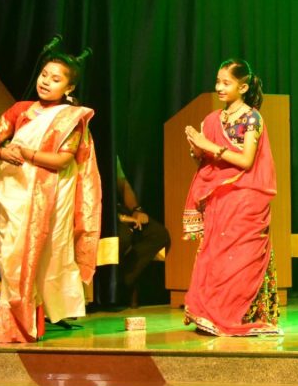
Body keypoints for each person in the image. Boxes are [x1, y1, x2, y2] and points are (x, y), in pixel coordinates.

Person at [0, 52, 101, 343]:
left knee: (39, 258)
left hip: (49, 198)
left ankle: (28, 323)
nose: (46, 82)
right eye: (44, 75)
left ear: (69, 88)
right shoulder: (21, 109)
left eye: (55, 79)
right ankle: (13, 320)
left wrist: (26, 153)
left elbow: (62, 160)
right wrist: (2, 153)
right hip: (16, 194)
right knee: (11, 256)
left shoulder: (71, 118)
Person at [182, 59, 279, 336]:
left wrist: (210, 146)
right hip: (219, 197)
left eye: (226, 83)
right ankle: (210, 312)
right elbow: (207, 163)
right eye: (218, 81)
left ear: (243, 87)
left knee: (242, 257)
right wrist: (197, 150)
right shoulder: (213, 119)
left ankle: (237, 314)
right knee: (215, 255)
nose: (219, 87)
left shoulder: (252, 118)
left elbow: (247, 161)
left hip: (246, 197)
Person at [115, 157, 171, 307]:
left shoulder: (112, 156)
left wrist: (136, 210)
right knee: (123, 237)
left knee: (159, 234)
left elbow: (123, 184)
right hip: (99, 214)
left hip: (119, 210)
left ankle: (124, 280)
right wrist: (120, 218)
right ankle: (114, 284)